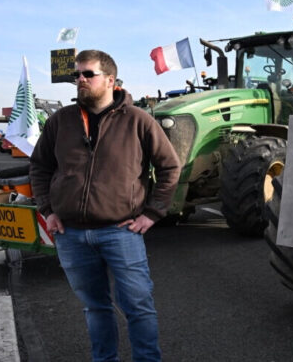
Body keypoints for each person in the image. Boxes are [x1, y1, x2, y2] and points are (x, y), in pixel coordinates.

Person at [30, 50, 180, 362]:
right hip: (71, 235)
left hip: (120, 232)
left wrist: (152, 213)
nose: (80, 80)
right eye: (77, 75)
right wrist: (47, 209)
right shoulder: (61, 121)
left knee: (138, 307)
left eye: (88, 74)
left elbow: (169, 167)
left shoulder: (139, 120)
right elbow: (40, 167)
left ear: (110, 80)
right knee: (95, 308)